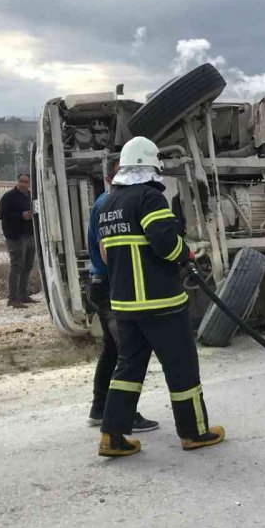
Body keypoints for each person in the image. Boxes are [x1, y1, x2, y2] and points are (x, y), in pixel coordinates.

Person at [96, 136, 224, 457]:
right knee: (182, 369)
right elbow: (166, 243)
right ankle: (194, 432)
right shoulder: (150, 198)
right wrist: (187, 254)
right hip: (161, 304)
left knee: (127, 369)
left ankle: (113, 435)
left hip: (125, 305)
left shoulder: (109, 204)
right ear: (151, 165)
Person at [85, 161, 158, 432]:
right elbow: (107, 250)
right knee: (128, 353)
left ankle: (99, 409)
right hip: (109, 284)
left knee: (113, 350)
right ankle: (124, 414)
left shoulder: (104, 202)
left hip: (98, 283)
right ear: (109, 177)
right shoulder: (111, 203)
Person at [0, 173, 36, 308]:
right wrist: (20, 216)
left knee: (28, 265)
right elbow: (1, 215)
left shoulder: (31, 197)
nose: (23, 184)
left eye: (26, 182)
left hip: (30, 235)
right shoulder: (9, 197)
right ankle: (13, 298)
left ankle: (23, 295)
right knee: (17, 266)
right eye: (21, 181)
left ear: (30, 183)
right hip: (15, 236)